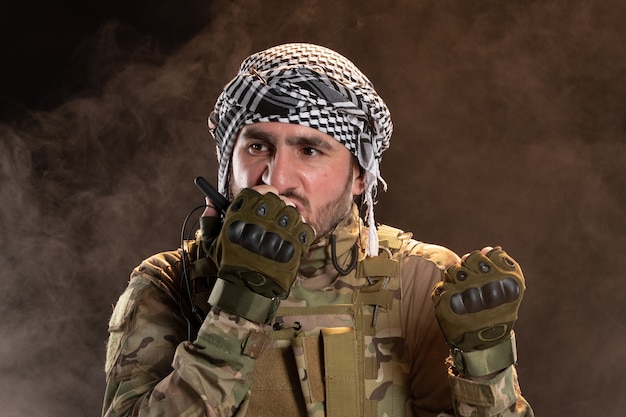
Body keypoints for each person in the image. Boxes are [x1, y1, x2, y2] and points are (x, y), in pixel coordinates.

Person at [102, 43, 534, 417]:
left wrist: (485, 366)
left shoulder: (420, 280)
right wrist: (238, 305)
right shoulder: (168, 283)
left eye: (309, 150)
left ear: (360, 175)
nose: (278, 177)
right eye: (257, 146)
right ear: (225, 164)